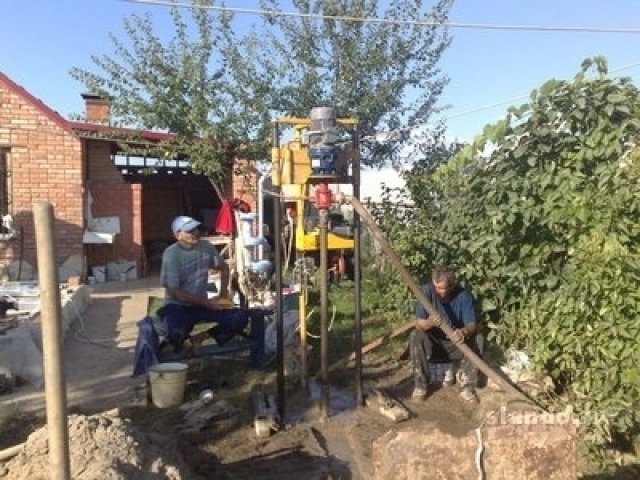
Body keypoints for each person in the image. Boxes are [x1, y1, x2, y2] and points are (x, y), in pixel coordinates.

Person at [157, 215, 248, 353]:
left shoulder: (206, 247)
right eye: (190, 231)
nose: (195, 233)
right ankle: (184, 344)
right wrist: (205, 303)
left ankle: (199, 338)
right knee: (175, 333)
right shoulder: (171, 255)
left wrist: (223, 294)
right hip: (177, 306)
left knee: (240, 317)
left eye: (196, 229)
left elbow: (223, 267)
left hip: (202, 304)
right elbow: (175, 292)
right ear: (177, 235)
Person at [409, 265, 482, 403]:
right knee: (415, 335)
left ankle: (467, 387)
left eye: (445, 288)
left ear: (453, 285)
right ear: (433, 283)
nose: (441, 292)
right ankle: (420, 386)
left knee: (478, 338)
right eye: (437, 288)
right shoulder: (425, 292)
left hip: (456, 344)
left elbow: (473, 324)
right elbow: (418, 323)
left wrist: (464, 332)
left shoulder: (464, 296)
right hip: (434, 344)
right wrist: (430, 323)